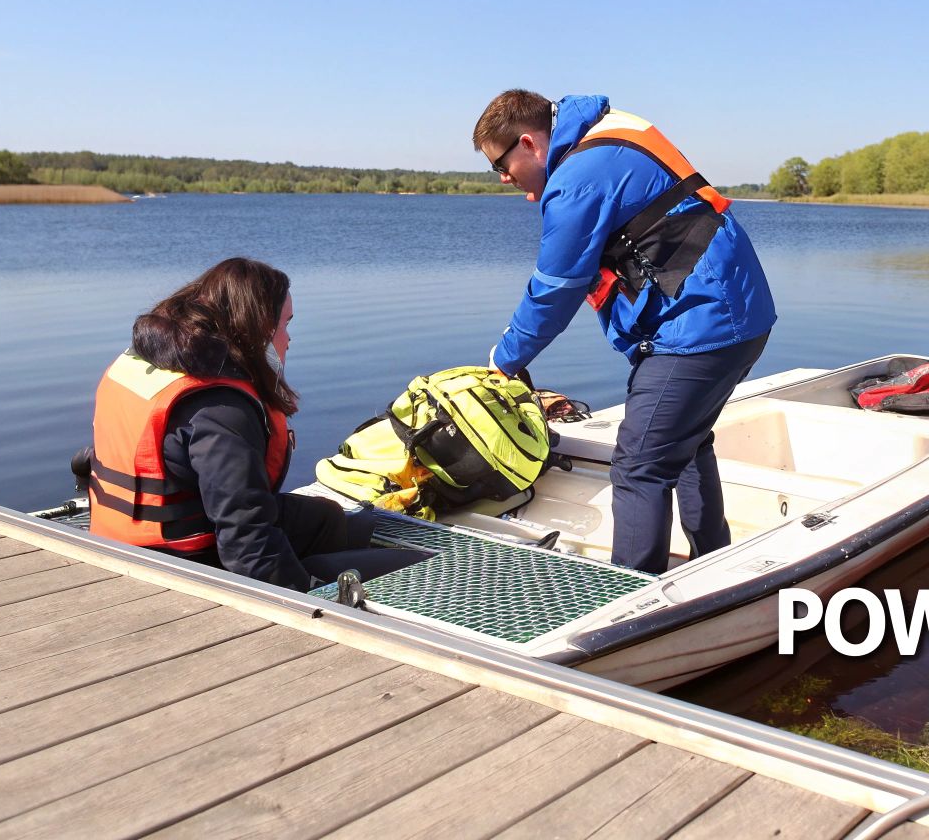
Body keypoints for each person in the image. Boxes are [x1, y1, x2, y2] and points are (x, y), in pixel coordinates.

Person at [474, 91, 775, 573]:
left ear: (528, 142)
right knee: (686, 439)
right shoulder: (604, 140)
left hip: (700, 329)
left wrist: (504, 361)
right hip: (734, 316)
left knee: (639, 465)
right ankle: (713, 562)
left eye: (500, 166)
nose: (504, 178)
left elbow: (555, 289)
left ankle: (632, 597)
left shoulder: (578, 178)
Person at [87, 257, 423, 589]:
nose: (288, 338)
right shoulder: (220, 411)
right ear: (256, 328)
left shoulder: (152, 364)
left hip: (122, 533)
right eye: (285, 324)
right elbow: (246, 542)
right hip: (180, 561)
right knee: (415, 568)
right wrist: (304, 596)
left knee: (327, 518)